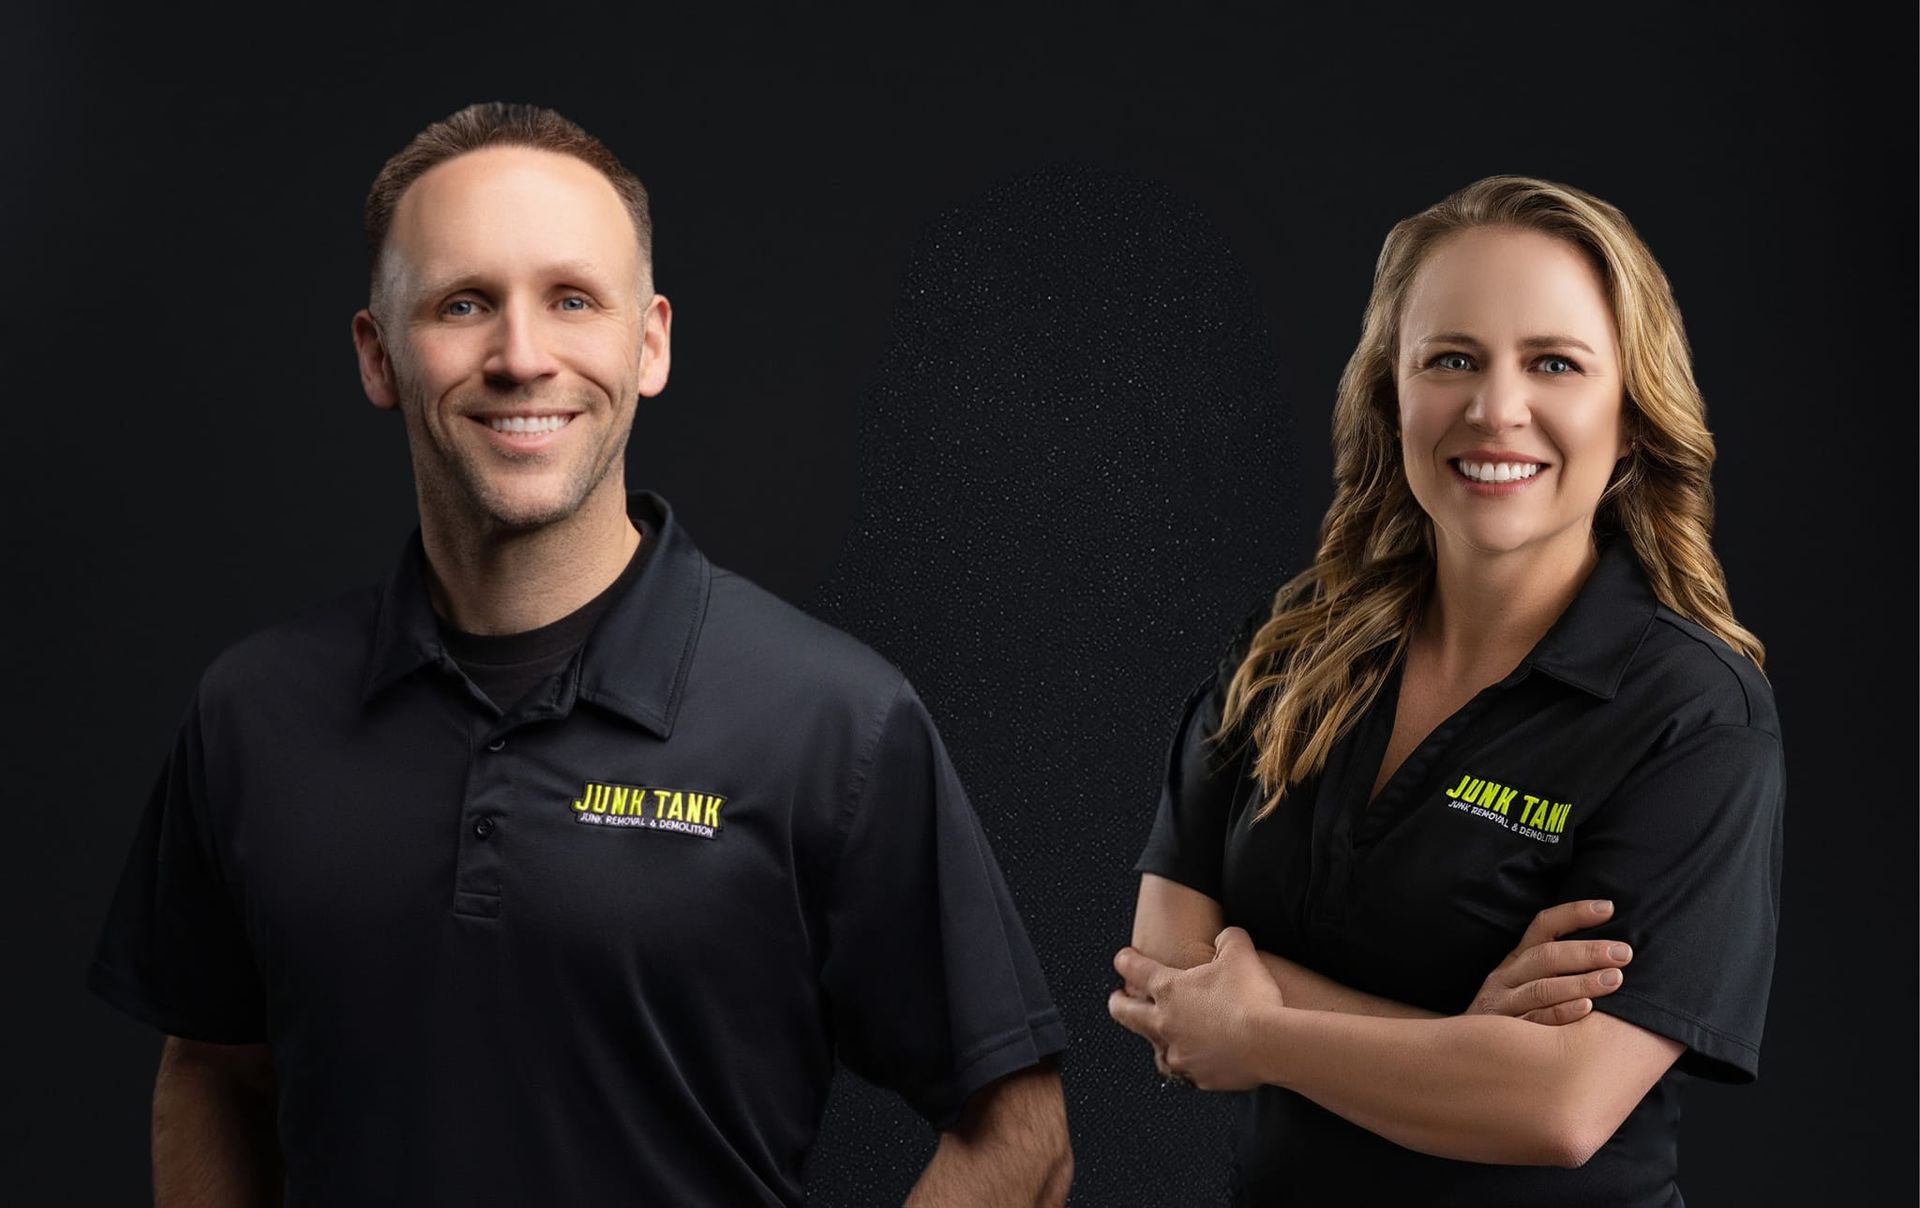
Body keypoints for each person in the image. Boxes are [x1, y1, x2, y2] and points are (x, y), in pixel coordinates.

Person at [88, 102, 1071, 1207]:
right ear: (378, 354)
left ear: (647, 342)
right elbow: (211, 1072)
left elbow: (1021, 1136)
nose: (521, 356)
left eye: (571, 299)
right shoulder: (252, 714)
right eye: (464, 304)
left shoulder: (834, 722)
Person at [1108, 175, 1784, 1206]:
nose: (1495, 408)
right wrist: (1466, 1042)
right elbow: (1165, 986)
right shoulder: (1294, 648)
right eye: (1452, 359)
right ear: (1393, 393)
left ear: (1633, 414)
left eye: (1553, 362)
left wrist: (1263, 1026)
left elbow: (1560, 1107)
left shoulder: (1690, 713)